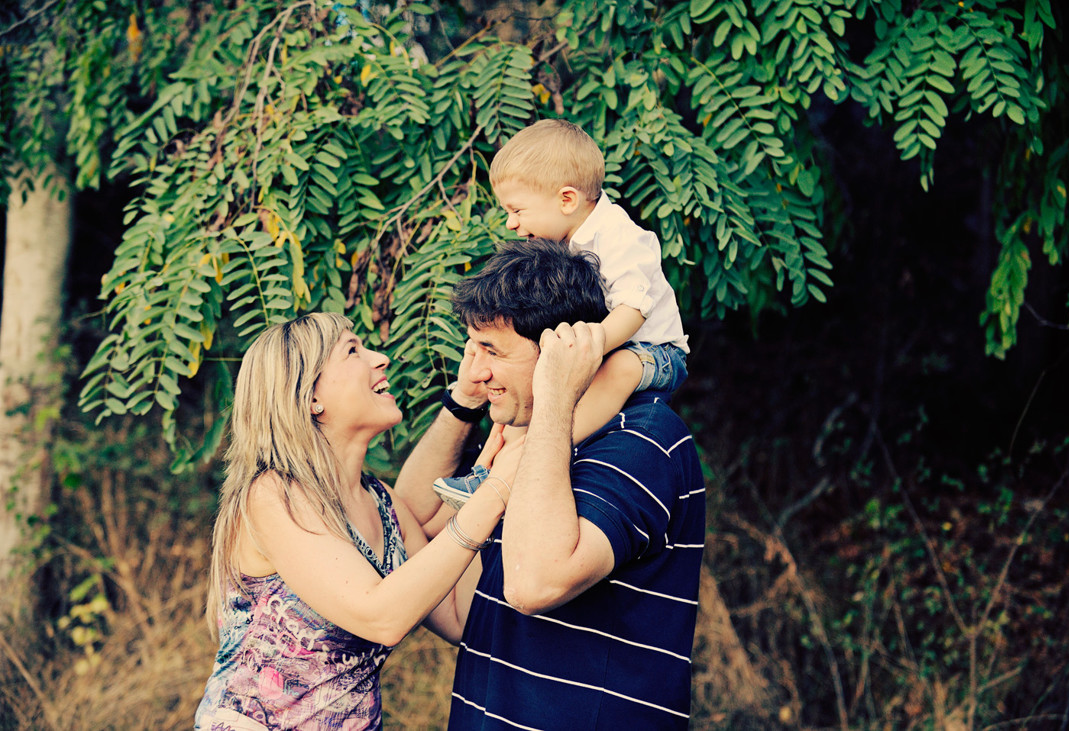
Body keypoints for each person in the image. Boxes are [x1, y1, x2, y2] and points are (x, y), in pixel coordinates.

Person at [395, 239, 706, 728]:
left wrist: (557, 395)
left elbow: (533, 584)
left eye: (491, 350)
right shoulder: (527, 443)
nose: (475, 370)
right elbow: (424, 549)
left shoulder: (643, 441)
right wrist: (462, 402)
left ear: (559, 352)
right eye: (471, 346)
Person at [194, 312, 514, 730]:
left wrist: (480, 426)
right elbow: (381, 615)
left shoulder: (382, 503)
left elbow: (457, 615)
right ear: (310, 398)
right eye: (352, 350)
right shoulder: (274, 494)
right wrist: (492, 496)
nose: (380, 358)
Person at [490, 118, 690, 439]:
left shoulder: (616, 234)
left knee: (618, 369)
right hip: (605, 348)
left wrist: (584, 350)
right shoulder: (560, 241)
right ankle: (487, 466)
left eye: (517, 210)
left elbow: (633, 308)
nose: (511, 224)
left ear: (566, 200)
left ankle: (549, 448)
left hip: (656, 353)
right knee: (523, 375)